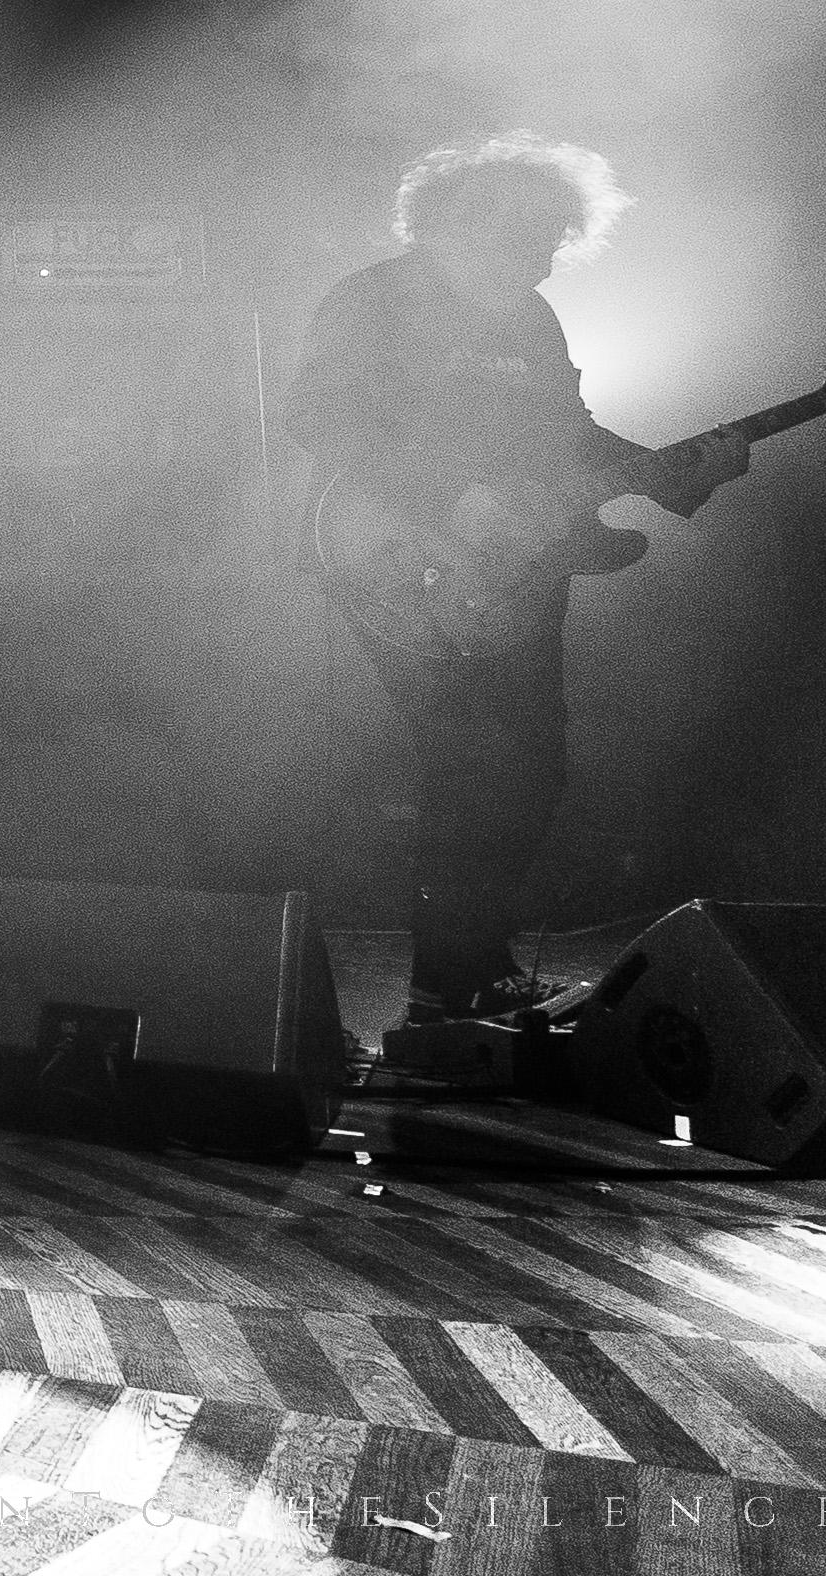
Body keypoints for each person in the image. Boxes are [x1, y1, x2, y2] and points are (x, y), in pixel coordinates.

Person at [285, 134, 747, 1027]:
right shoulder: (375, 301)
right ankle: (453, 980)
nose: (547, 256)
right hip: (392, 555)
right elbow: (319, 415)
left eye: (556, 239)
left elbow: (571, 439)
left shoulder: (528, 318)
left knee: (530, 770)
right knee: (472, 764)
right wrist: (454, 496)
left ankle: (463, 975)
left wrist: (676, 470)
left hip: (516, 570)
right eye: (535, 235)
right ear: (466, 221)